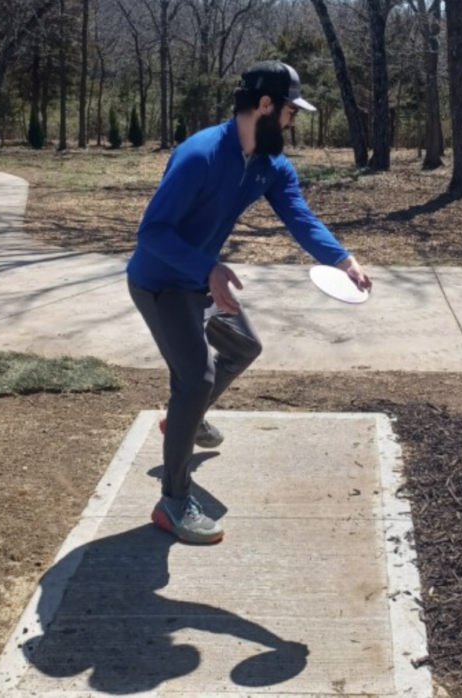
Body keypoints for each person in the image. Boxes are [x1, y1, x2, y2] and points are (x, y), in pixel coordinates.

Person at [127, 61, 372, 544]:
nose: (291, 121)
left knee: (243, 348)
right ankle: (173, 501)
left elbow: (299, 217)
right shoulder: (199, 154)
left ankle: (182, 419)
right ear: (264, 105)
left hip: (203, 281)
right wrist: (207, 268)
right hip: (160, 283)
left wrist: (342, 259)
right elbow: (151, 231)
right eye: (288, 110)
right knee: (194, 378)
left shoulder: (269, 165)